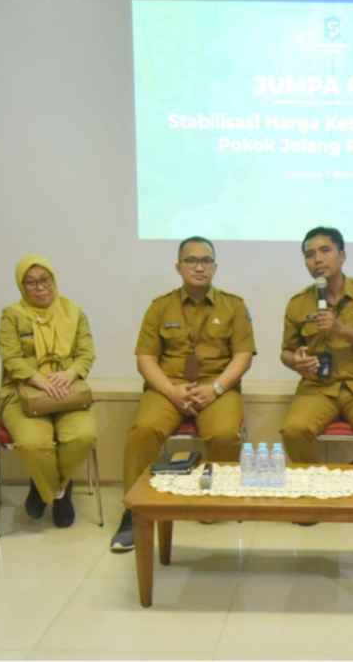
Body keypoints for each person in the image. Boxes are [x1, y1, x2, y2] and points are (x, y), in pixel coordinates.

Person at [111, 236, 256, 551]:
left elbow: (242, 356)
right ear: (179, 267)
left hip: (217, 387)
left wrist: (214, 388)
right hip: (169, 386)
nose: (199, 267)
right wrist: (172, 391)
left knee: (224, 434)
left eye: (206, 261)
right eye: (191, 261)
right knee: (143, 430)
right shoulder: (160, 306)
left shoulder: (234, 306)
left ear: (215, 267)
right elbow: (145, 359)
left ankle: (213, 498)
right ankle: (134, 512)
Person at [279, 226, 353, 466]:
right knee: (293, 430)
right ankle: (317, 482)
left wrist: (341, 329)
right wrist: (296, 362)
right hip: (317, 387)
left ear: (342, 255)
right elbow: (286, 352)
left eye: (325, 250)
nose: (318, 259)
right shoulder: (298, 302)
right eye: (309, 254)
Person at [0, 254, 97, 528]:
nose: (40, 287)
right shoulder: (12, 315)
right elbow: (10, 357)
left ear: (54, 280)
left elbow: (86, 352)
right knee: (32, 444)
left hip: (68, 390)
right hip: (23, 393)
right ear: (21, 286)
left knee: (83, 436)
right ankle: (59, 492)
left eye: (45, 280)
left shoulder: (73, 311)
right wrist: (37, 379)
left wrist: (69, 373)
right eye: (31, 282)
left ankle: (44, 485)